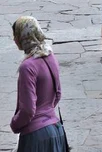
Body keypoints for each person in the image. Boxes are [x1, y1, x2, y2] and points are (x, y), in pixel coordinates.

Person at [10, 16, 67, 152]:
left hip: (36, 136)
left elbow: (28, 110)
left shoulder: (27, 67)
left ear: (23, 36)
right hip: (55, 129)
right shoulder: (50, 56)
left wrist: (14, 124)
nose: (14, 39)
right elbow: (57, 94)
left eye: (16, 35)